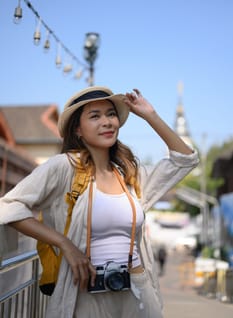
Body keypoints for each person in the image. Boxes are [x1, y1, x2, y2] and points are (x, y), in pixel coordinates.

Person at [0, 86, 199, 318]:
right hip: (86, 294)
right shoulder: (64, 167)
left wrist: (150, 115)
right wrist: (65, 244)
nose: (107, 122)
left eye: (111, 114)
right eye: (95, 116)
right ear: (78, 129)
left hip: (137, 291)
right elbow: (9, 207)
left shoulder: (130, 174)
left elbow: (185, 160)